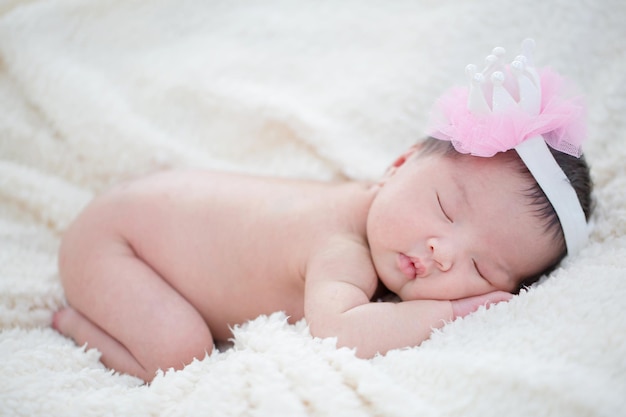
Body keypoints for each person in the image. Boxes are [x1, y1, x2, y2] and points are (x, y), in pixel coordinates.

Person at [52, 39, 593, 383]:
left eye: (482, 271)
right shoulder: (342, 250)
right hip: (116, 245)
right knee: (179, 353)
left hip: (145, 208)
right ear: (398, 165)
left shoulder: (373, 208)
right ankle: (77, 322)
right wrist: (450, 313)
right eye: (444, 208)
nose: (443, 253)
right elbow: (340, 332)